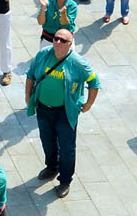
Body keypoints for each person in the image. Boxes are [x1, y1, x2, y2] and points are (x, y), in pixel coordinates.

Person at [24, 28, 99, 199]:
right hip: (44, 109)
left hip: (65, 112)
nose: (58, 42)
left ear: (70, 44)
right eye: (56, 39)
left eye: (63, 40)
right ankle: (51, 166)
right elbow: (30, 75)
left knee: (66, 148)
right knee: (47, 141)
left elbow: (94, 82)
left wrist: (88, 103)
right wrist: (28, 96)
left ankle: (65, 180)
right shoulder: (43, 54)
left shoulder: (78, 63)